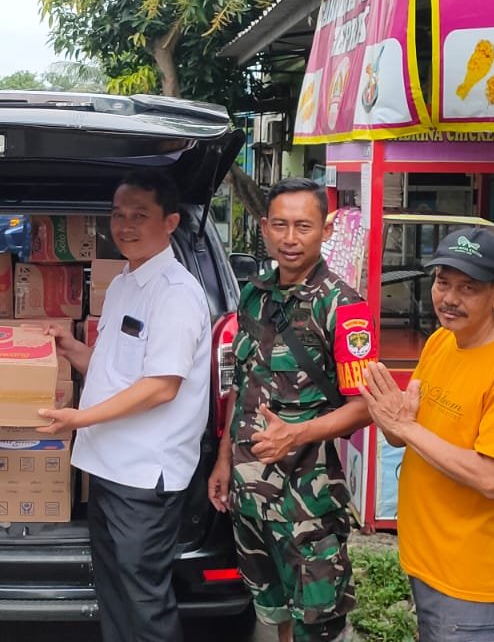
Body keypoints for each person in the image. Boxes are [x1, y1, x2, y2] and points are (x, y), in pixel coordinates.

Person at [37, 170, 213, 642]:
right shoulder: (123, 282)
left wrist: (79, 419)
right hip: (109, 466)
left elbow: (160, 387)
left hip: (144, 477)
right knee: (114, 591)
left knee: (143, 601)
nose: (125, 226)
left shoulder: (175, 294)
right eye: (118, 215)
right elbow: (115, 370)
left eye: (140, 215)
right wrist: (72, 349)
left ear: (170, 221)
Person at [209, 178, 376, 642]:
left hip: (307, 505)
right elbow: (243, 383)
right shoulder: (254, 295)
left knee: (315, 624)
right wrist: (224, 459)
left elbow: (366, 408)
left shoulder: (344, 307)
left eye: (303, 226)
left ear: (325, 230)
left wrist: (295, 435)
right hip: (250, 494)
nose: (289, 238)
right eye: (280, 225)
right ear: (264, 227)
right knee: (273, 613)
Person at [362, 227, 494, 642]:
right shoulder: (442, 342)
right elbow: (410, 438)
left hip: (474, 579)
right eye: (442, 282)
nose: (449, 298)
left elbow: (491, 478)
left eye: (468, 288)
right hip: (427, 561)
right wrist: (392, 421)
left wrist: (406, 427)